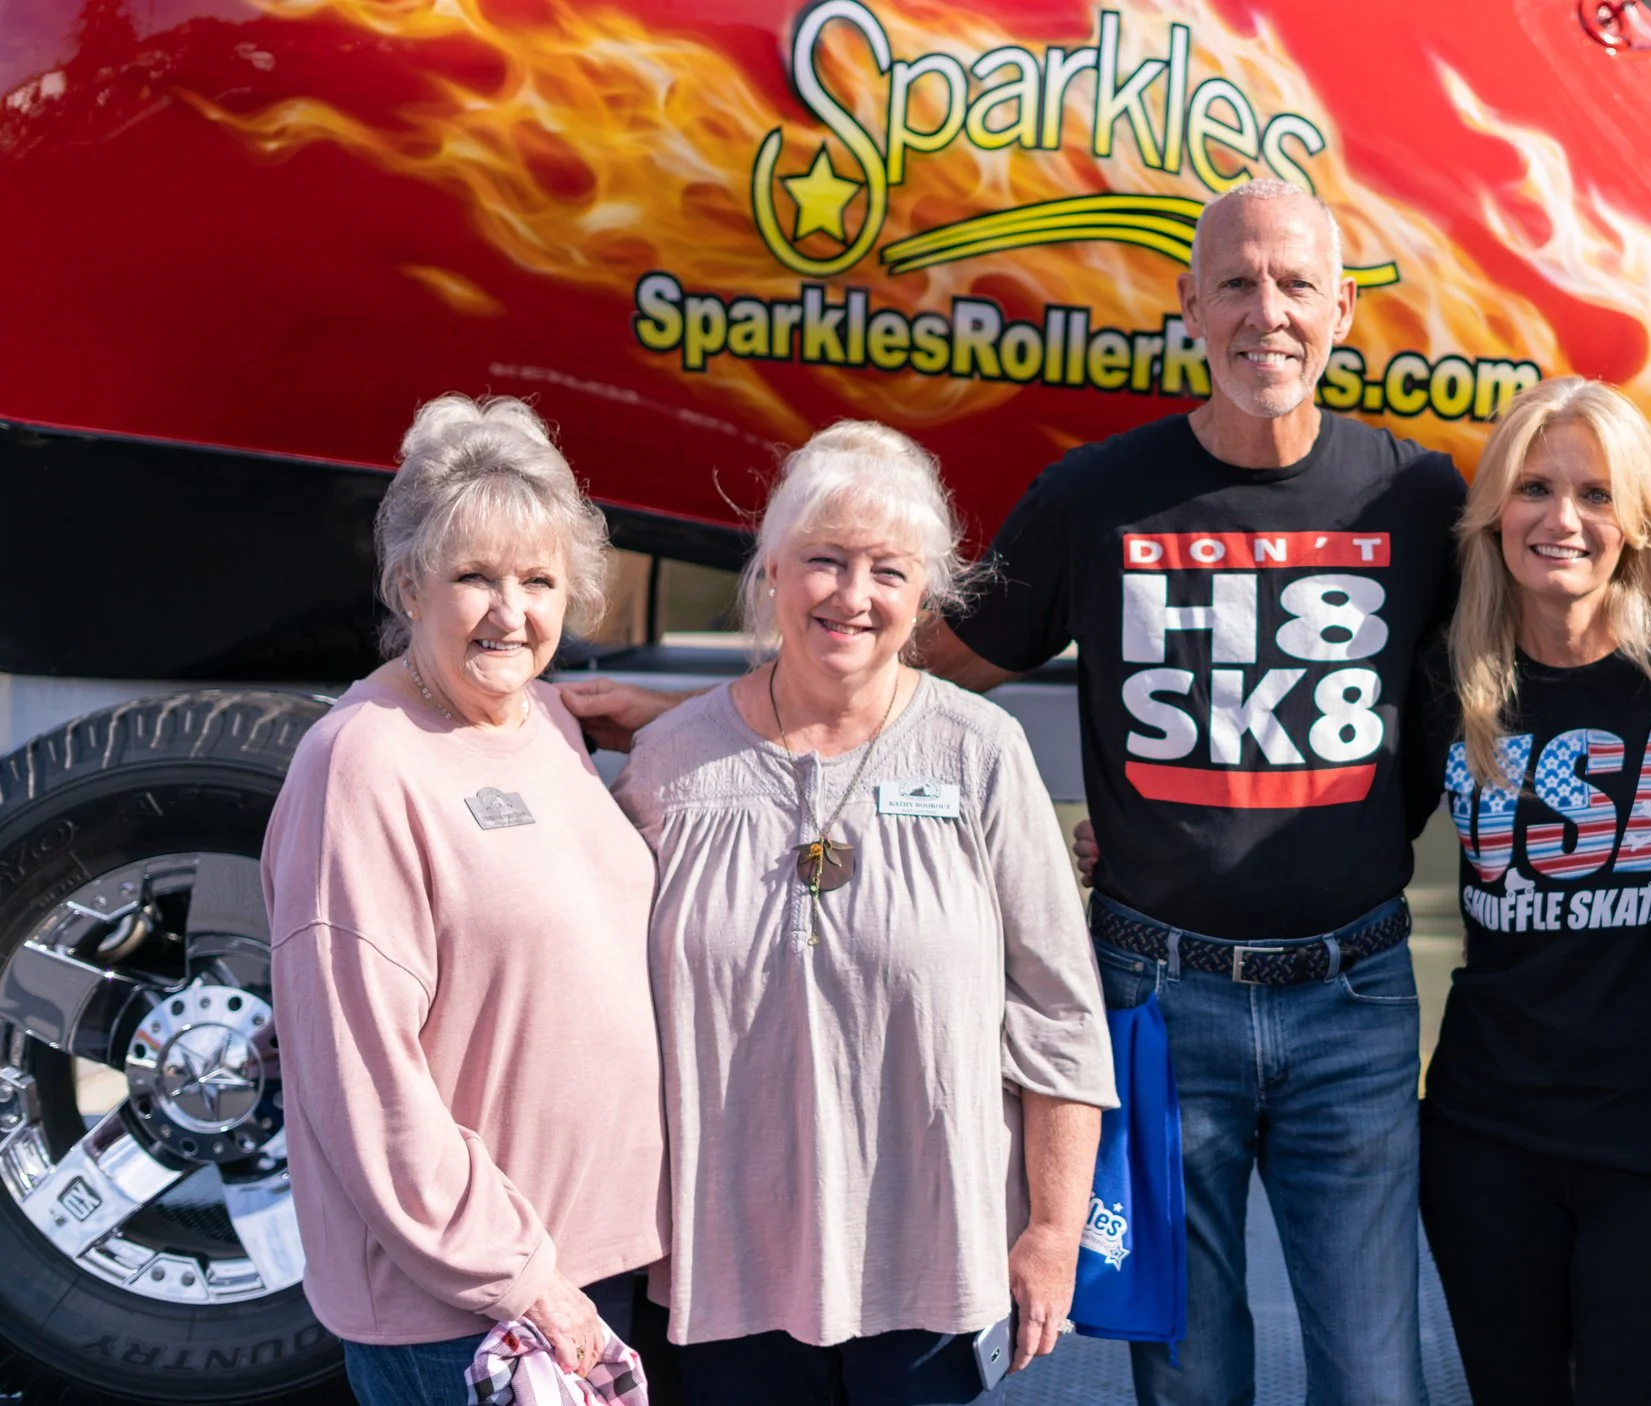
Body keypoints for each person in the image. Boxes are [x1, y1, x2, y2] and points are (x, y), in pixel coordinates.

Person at [914, 178, 1468, 1405]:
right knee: (1188, 1379)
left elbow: (1503, 662)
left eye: (1294, 285)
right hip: (1157, 999)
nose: (1264, 311)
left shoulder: (1416, 497)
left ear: (1340, 313)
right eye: (1236, 283)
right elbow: (930, 668)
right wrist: (709, 713)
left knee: (1378, 1381)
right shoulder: (1095, 497)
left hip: (1357, 996)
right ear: (1188, 306)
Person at [608, 421, 1115, 1405]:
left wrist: (1052, 1232)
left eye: (887, 568)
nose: (851, 595)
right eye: (824, 561)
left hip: (931, 1260)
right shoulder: (671, 763)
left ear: (926, 590)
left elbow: (1057, 1013)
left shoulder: (980, 752)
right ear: (770, 570)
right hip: (727, 1264)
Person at [263, 395, 664, 1406]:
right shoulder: (361, 763)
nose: (510, 610)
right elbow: (367, 1081)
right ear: (408, 584)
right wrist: (526, 1281)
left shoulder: (546, 722)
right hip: (470, 1307)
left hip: (592, 1268)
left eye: (538, 580)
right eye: (474, 577)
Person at [1414, 377, 1651, 1404]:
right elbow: (1341, 825)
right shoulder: (1455, 673)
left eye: (1595, 493)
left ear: (1635, 523)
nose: (1562, 518)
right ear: (1496, 509)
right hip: (1485, 1137)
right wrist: (1134, 845)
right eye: (1535, 486)